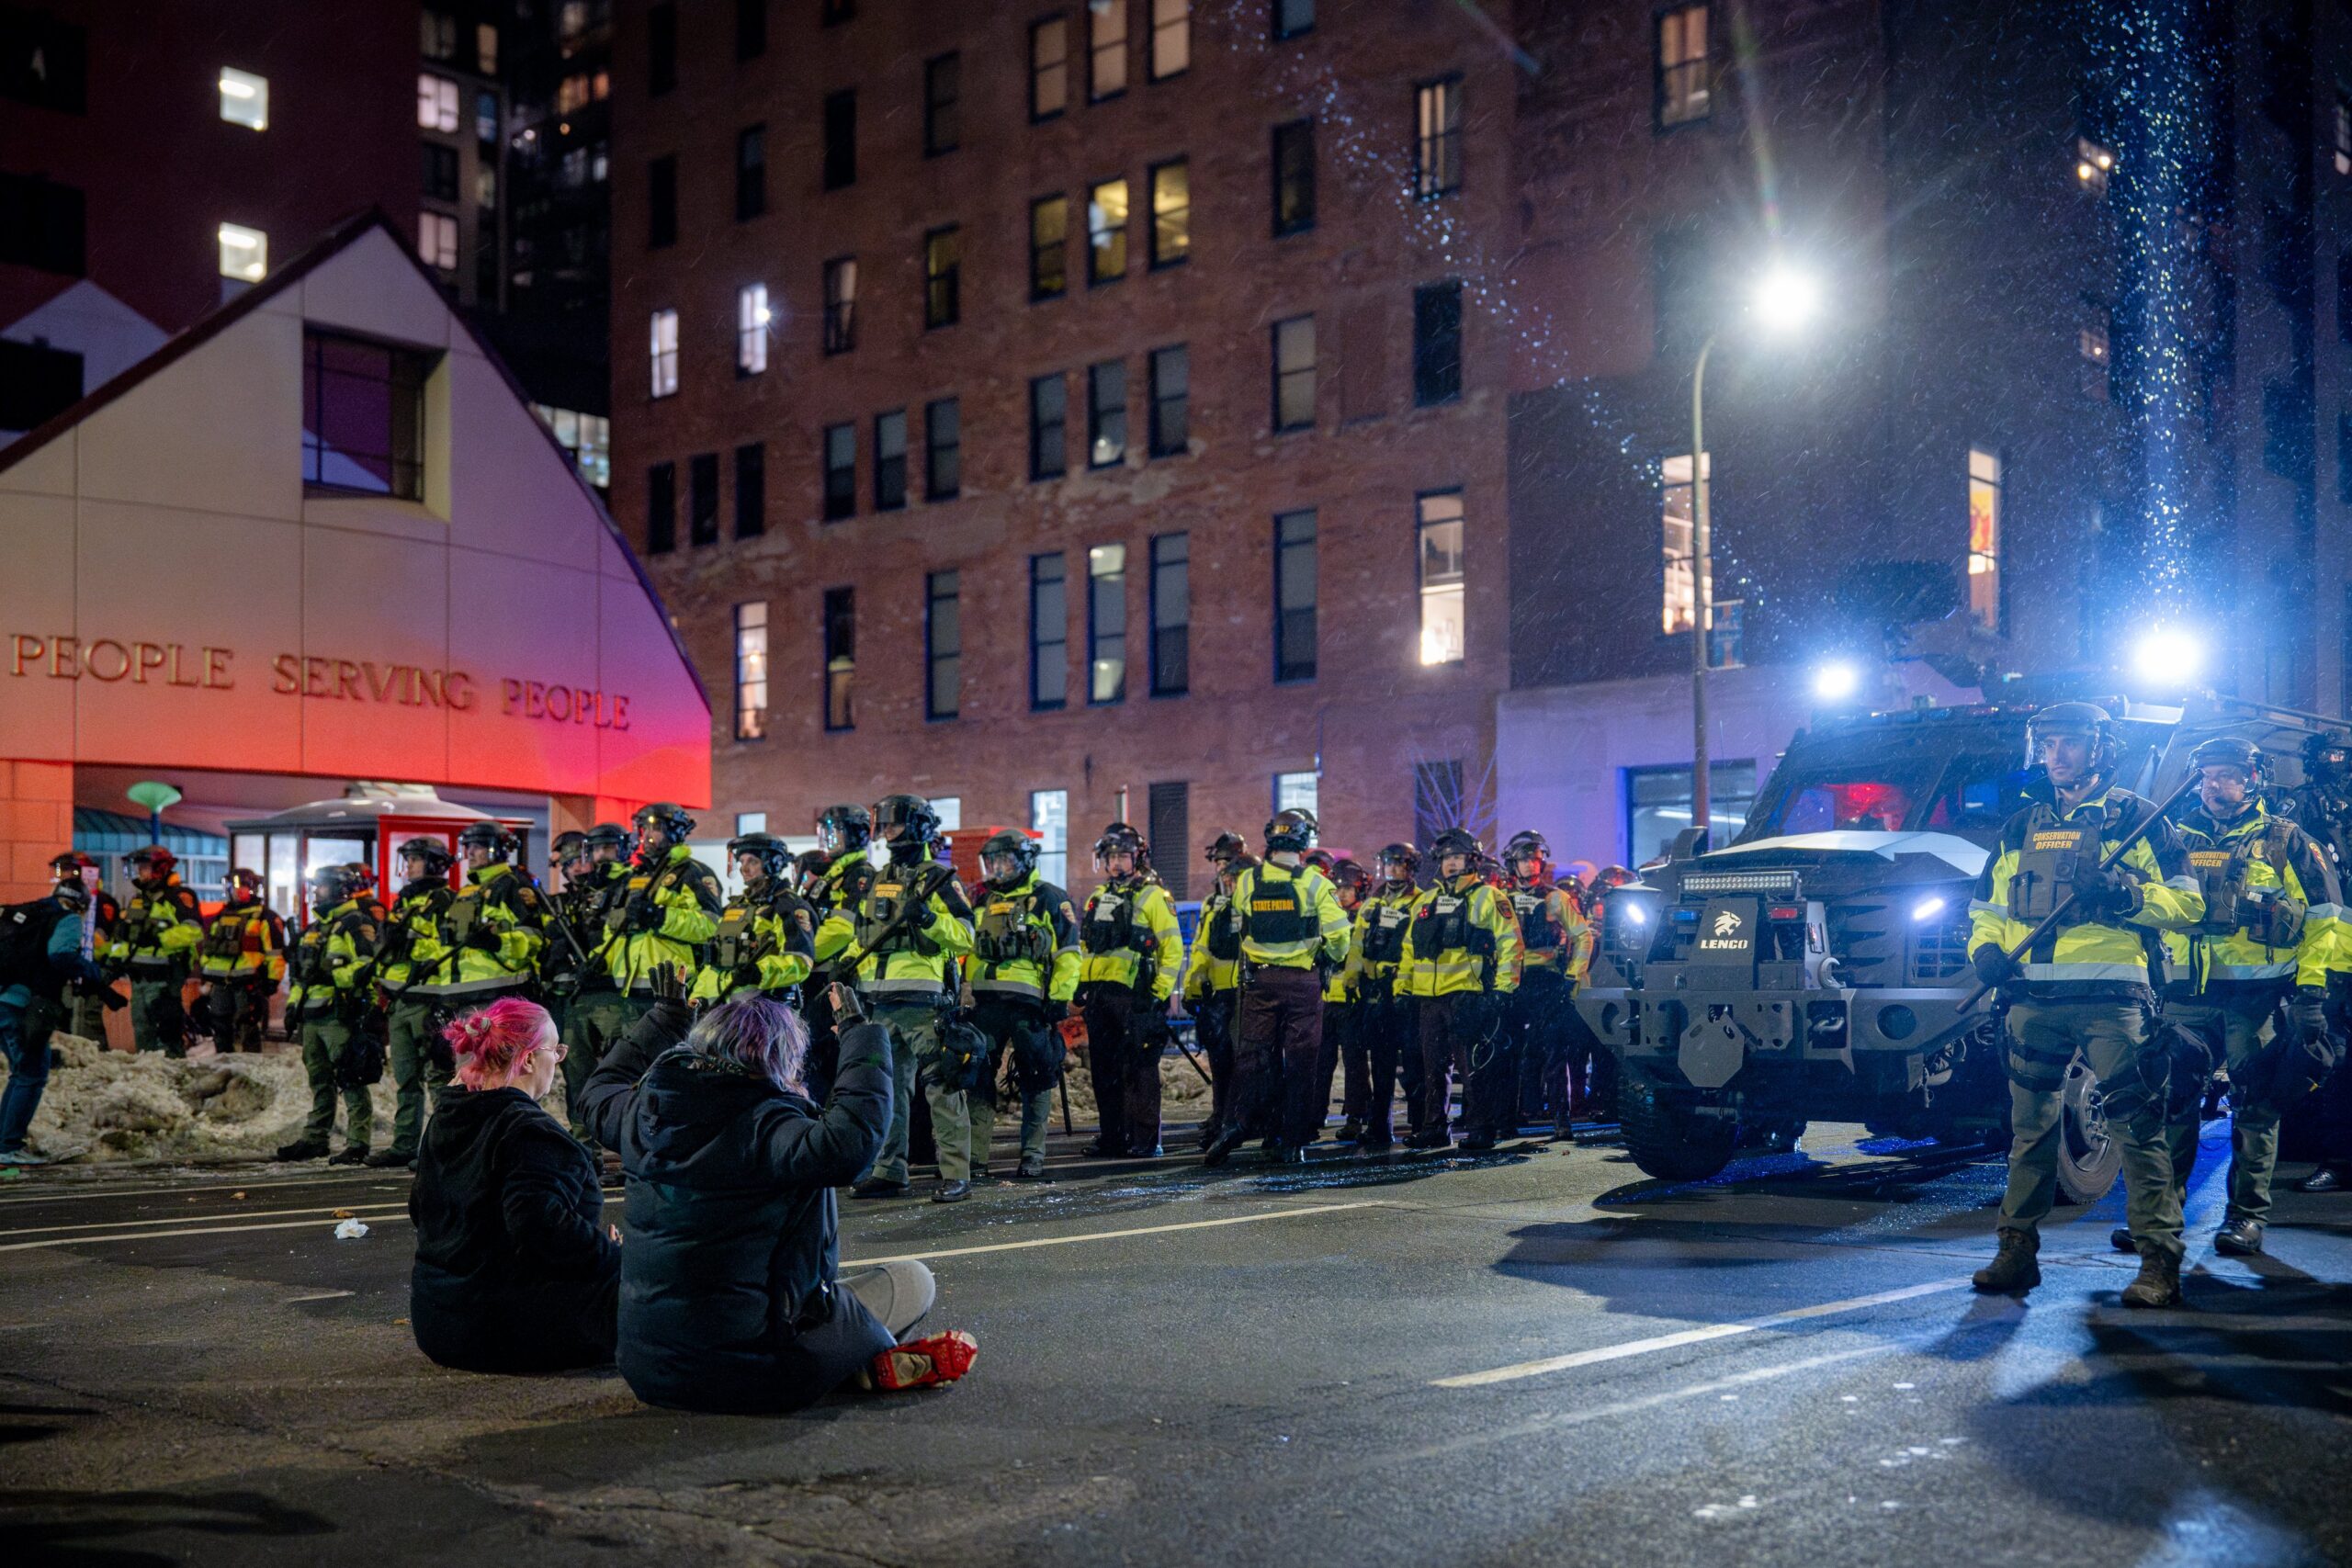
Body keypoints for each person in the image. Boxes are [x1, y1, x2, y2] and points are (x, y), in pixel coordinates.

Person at [581, 988, 978, 1411]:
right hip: (751, 1371)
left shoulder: (645, 1113)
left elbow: (598, 1089)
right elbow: (852, 1141)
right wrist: (859, 1035)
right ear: (779, 1056)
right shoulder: (769, 1125)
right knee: (913, 1280)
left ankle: (853, 1360)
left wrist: (664, 1017)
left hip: (648, 1369)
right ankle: (856, 1362)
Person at [1967, 702, 2207, 1307]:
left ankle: (2159, 1262)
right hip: (2033, 998)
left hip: (2112, 999)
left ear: (2100, 747)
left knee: (2136, 1127)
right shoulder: (2020, 827)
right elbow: (1987, 911)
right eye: (2047, 743)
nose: (2057, 754)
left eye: (2069, 742)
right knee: (2030, 1131)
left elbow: (2188, 905)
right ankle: (2016, 1250)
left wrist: (2128, 894)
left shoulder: (2139, 818)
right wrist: (1986, 953)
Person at [2146, 738, 2347, 1256]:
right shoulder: (2174, 837)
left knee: (2255, 1107)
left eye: (2228, 775)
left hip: (2256, 999)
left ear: (2253, 779)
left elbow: (2327, 921)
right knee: (2173, 1104)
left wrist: (2311, 990)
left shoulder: (2286, 840)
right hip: (2184, 995)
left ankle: (2246, 1218)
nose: (2216, 785)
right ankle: (2161, 1218)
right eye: (2208, 775)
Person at [408, 997, 620, 1374]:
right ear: (527, 1059)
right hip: (503, 1329)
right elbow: (543, 1229)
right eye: (555, 1051)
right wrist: (613, 1255)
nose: (558, 1061)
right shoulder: (530, 1131)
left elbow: (420, 1209)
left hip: (438, 1321)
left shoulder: (447, 1116)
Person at [813, 795, 976, 1201]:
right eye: (883, 825)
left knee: (941, 1085)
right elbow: (865, 934)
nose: (887, 832)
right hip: (878, 999)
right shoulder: (882, 877)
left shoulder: (935, 877)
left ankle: (956, 1173)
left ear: (917, 827)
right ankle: (890, 1170)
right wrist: (847, 963)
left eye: (895, 825)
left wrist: (928, 918)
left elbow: (967, 934)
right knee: (888, 1091)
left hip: (922, 999)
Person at [1204, 810, 1351, 1167]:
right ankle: (1291, 1140)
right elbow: (1339, 936)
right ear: (1303, 842)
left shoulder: (1249, 882)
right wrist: (1327, 957)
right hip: (1302, 984)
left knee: (1255, 1059)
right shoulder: (1314, 883)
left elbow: (1242, 927)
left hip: (1259, 983)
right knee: (1301, 1065)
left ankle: (1238, 1123)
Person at [964, 829, 1081, 1180]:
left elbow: (1069, 954)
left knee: (1037, 1076)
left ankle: (1032, 1154)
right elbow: (968, 951)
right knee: (979, 1076)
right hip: (986, 1004)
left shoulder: (1049, 899)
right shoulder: (983, 901)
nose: (997, 868)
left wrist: (1059, 997)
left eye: (1004, 860)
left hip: (1031, 1005)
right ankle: (974, 1158)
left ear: (1025, 861)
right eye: (993, 862)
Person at [1401, 828, 1522, 1152]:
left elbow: (1511, 945)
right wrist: (1403, 988)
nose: (1451, 863)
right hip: (1430, 998)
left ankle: (1482, 1128)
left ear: (1473, 860)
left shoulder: (1489, 897)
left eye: (1457, 856)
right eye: (1445, 858)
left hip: (1468, 995)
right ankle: (1435, 1128)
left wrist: (1502, 990)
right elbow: (1409, 950)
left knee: (1474, 1067)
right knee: (1433, 1068)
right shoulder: (1425, 901)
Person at [1073, 823, 1184, 1160]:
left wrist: (1157, 993)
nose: (1117, 863)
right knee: (1104, 1071)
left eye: (1123, 856)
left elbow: (1172, 949)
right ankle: (1112, 1137)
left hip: (1137, 997)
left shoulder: (1154, 896)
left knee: (1139, 1071)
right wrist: (1079, 985)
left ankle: (1146, 1140)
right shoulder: (1097, 897)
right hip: (1101, 997)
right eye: (1111, 857)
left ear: (1138, 858)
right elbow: (1085, 945)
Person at [276, 865, 382, 1164]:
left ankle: (358, 1142)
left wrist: (334, 977)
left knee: (351, 1078)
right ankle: (315, 1138)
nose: (315, 891)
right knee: (320, 1080)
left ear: (337, 889)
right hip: (311, 1015)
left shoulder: (356, 922)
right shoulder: (314, 929)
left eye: (320, 886)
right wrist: (292, 1007)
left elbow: (367, 965)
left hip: (341, 1014)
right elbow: (300, 978)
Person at [1, 876, 108, 1166]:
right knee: (32, 1073)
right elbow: (60, 955)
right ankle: (8, 1147)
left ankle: (5, 1143)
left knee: (21, 1072)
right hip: (23, 1006)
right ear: (80, 904)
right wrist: (91, 972)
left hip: (3, 999)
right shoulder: (68, 919)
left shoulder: (29, 912)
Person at [371, 837, 459, 1168]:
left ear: (435, 863)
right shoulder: (403, 901)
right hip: (401, 999)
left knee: (439, 1077)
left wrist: (443, 1003)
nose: (407, 865)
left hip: (428, 1000)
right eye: (406, 859)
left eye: (414, 859)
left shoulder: (446, 900)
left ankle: (442, 1148)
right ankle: (405, 1144)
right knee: (406, 1078)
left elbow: (449, 949)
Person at [1500, 830, 1595, 1139]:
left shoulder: (1556, 898)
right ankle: (1510, 1119)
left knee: (1554, 1054)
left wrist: (1573, 975)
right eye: (1525, 860)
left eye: (1536, 859)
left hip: (1549, 983)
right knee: (1510, 1054)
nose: (1531, 865)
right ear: (1513, 863)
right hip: (1512, 984)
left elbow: (1583, 936)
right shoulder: (1501, 898)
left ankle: (1561, 1119)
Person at [558, 821, 638, 1138]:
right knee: (576, 1072)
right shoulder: (586, 890)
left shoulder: (634, 886)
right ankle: (584, 1143)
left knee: (620, 1072)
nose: (603, 856)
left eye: (609, 848)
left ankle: (621, 1140)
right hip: (581, 994)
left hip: (616, 994)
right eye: (597, 849)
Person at [413, 821, 548, 1010]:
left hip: (499, 995)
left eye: (478, 846)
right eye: (468, 846)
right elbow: (450, 941)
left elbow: (534, 939)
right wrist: (432, 962)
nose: (470, 852)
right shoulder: (466, 892)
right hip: (459, 996)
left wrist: (496, 942)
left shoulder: (513, 886)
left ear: (497, 849)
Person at [691, 831, 818, 1009]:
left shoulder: (787, 906)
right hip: (719, 1009)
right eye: (741, 862)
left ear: (773, 864)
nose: (744, 868)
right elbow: (714, 963)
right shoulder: (736, 905)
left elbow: (800, 962)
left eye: (753, 861)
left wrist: (759, 972)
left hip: (764, 1012)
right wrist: (697, 997)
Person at [1353, 843, 1422, 1149]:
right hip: (1375, 991)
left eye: (1399, 864)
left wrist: (1404, 986)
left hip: (1404, 992)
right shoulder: (1372, 904)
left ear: (1410, 867)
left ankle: (1420, 1124)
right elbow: (1357, 943)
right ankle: (1380, 1126)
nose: (1393, 869)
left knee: (1413, 1063)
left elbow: (1413, 948)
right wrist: (1353, 979)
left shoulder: (1421, 901)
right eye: (1389, 864)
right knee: (1380, 1064)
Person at [104, 845, 204, 1055]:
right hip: (138, 978)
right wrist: (112, 961)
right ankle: (147, 1076)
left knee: (166, 1034)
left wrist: (159, 938)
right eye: (139, 868)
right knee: (142, 1031)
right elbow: (129, 939)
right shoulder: (139, 899)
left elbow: (193, 931)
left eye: (145, 867)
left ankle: (172, 1077)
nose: (140, 872)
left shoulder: (178, 896)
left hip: (165, 978)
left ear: (161, 868)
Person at [1181, 850, 1250, 1150]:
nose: (1228, 882)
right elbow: (1201, 949)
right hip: (1219, 996)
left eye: (1233, 876)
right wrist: (1193, 985)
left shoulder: (1252, 906)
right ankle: (1221, 1116)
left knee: (1244, 1062)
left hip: (1246, 994)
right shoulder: (1213, 904)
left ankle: (1240, 1119)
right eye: (1225, 876)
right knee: (1222, 1063)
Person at [194, 868, 286, 1052]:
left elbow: (275, 953)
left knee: (248, 1026)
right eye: (234, 887)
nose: (239, 891)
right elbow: (210, 947)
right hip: (220, 982)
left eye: (244, 887)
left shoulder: (264, 917)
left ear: (253, 889)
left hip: (248, 982)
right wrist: (206, 974)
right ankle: (224, 1065)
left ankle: (249, 1068)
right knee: (219, 1024)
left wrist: (273, 980)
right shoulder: (221, 916)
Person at [1316, 858, 1372, 1142]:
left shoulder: (1364, 916)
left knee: (1354, 1062)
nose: (1342, 894)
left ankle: (1356, 1115)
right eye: (1338, 888)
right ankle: (1314, 1114)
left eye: (1347, 888)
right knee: (1320, 1061)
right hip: (1325, 999)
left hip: (1352, 1000)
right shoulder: (1331, 916)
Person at [48, 852, 116, 1043]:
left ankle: (95, 1062)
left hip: (90, 972)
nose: (61, 876)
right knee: (61, 1020)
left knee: (87, 1023)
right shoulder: (56, 902)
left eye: (66, 870)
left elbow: (103, 942)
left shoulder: (101, 903)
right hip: (62, 972)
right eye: (59, 871)